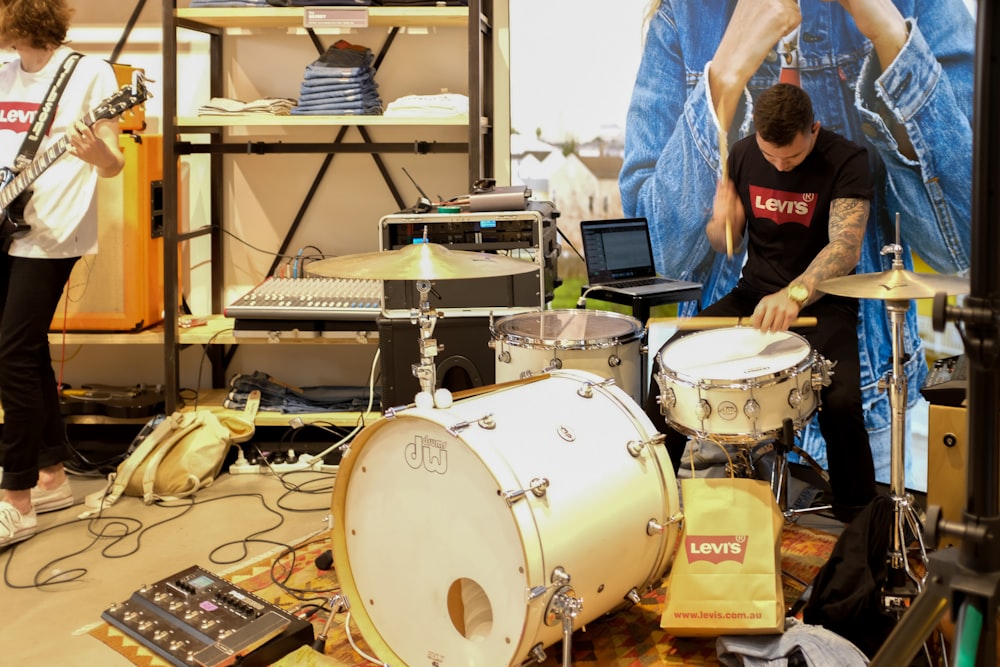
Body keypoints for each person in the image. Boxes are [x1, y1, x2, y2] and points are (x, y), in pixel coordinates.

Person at [620, 0, 974, 489]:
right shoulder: (683, 16)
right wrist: (723, 79)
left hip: (866, 402)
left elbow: (964, 250)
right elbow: (656, 258)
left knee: (858, 547)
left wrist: (891, 39)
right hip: (715, 405)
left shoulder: (920, 6)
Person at [660, 82, 877, 518]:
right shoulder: (741, 153)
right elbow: (727, 243)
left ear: (813, 130)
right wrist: (722, 222)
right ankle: (656, 492)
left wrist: (795, 293)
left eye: (791, 158)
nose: (778, 165)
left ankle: (858, 518)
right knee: (668, 363)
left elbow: (846, 247)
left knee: (842, 403)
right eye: (770, 155)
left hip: (824, 303)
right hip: (753, 295)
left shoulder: (847, 160)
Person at [0, 0, 125, 547]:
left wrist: (98, 152)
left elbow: (115, 161)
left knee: (12, 351)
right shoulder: (3, 73)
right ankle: (52, 476)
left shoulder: (89, 73)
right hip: (5, 223)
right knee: (20, 353)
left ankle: (17, 497)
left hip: (52, 233)